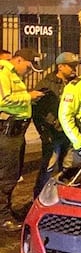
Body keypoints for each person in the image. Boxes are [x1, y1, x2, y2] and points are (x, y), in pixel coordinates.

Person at [0, 48, 45, 231]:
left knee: (12, 174)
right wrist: (28, 96)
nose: (28, 71)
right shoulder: (3, 72)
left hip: (16, 132)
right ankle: (3, 217)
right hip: (7, 132)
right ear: (18, 60)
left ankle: (6, 211)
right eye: (27, 66)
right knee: (6, 176)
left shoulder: (12, 74)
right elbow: (3, 100)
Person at [31, 52, 80, 197]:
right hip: (53, 133)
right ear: (60, 66)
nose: (74, 69)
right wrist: (46, 129)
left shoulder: (75, 83)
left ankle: (64, 196)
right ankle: (40, 198)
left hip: (69, 132)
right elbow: (37, 110)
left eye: (75, 66)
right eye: (71, 66)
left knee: (69, 166)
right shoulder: (46, 85)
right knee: (49, 167)